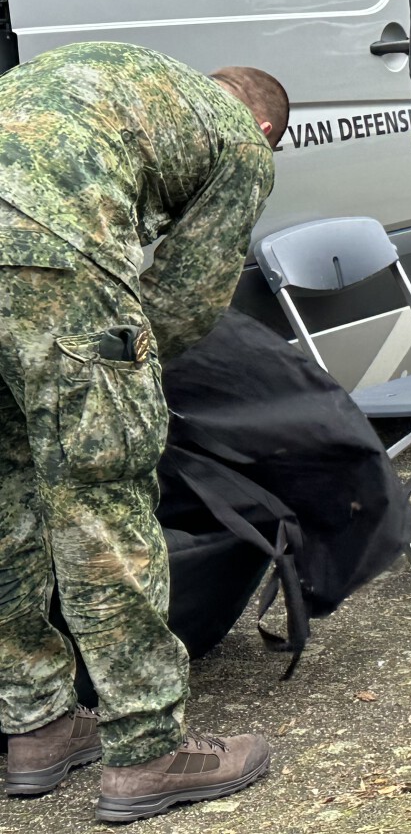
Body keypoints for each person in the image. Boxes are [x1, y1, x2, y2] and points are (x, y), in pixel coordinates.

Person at [0, 42, 285, 822]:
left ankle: (36, 725)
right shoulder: (240, 139)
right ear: (265, 126)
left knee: (6, 498)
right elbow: (188, 295)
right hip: (48, 253)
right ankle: (148, 750)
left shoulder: (125, 82)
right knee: (100, 499)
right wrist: (131, 370)